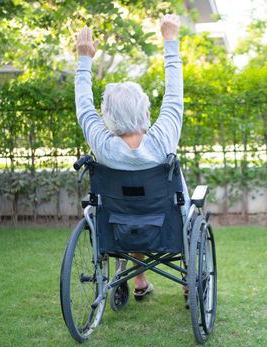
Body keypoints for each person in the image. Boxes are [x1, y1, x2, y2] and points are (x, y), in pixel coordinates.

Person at [75, 14, 187, 300]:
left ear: (108, 118)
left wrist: (84, 58)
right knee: (181, 207)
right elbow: (174, 93)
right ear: (145, 113)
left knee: (132, 210)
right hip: (167, 224)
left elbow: (84, 107)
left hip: (119, 224)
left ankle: (139, 279)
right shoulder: (163, 138)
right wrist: (170, 40)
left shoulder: (103, 146)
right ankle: (189, 280)